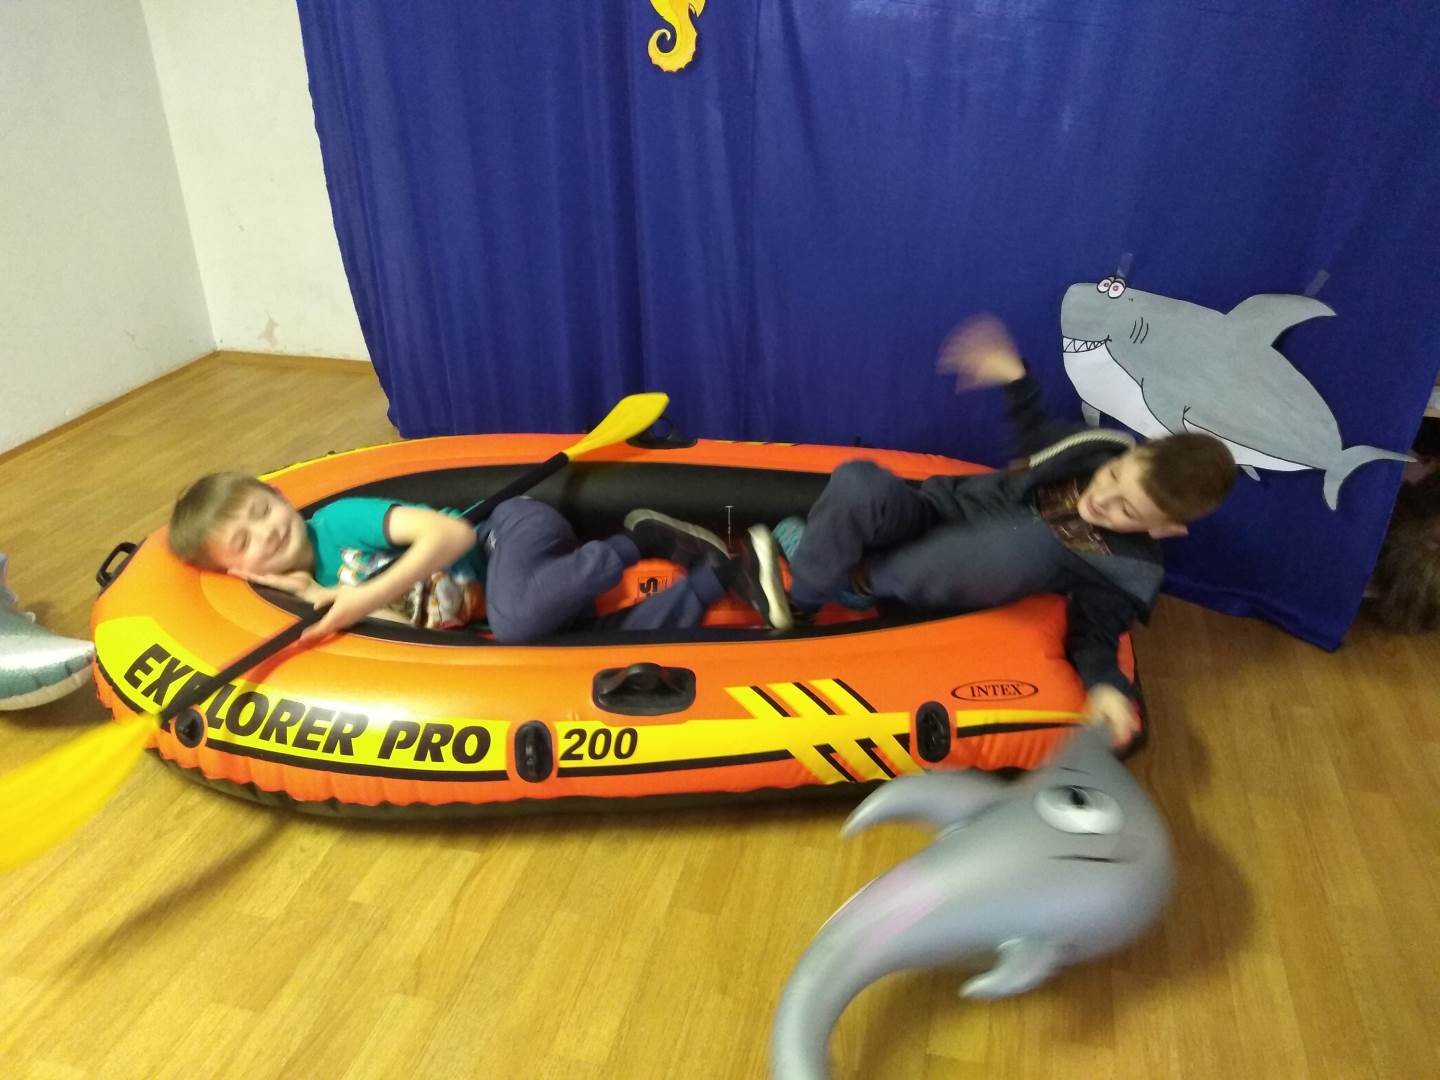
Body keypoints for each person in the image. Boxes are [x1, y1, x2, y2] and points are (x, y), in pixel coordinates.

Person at [769, 315, 1236, 747]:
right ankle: (805, 599)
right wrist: (1014, 377)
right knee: (859, 481)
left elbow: (1096, 635)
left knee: (1032, 542)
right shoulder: (1094, 451)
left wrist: (1107, 687)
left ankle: (858, 582)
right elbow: (1037, 432)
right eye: (1114, 477)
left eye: (1127, 511)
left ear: (1165, 530)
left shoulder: (1126, 567)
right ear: (1130, 455)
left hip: (950, 576)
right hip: (935, 513)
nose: (1103, 499)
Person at [166, 475, 791, 643]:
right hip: (510, 605)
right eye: (242, 543)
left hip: (507, 535)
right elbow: (409, 634)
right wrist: (318, 599)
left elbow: (451, 536)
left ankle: (642, 541)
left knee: (518, 620)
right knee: (581, 647)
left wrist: (358, 598)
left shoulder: (337, 524)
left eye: (262, 511)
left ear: (281, 498)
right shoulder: (303, 595)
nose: (266, 532)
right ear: (236, 572)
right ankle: (719, 576)